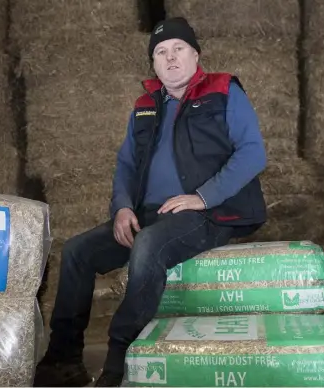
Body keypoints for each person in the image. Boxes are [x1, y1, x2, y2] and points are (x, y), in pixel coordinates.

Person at [33, 17, 268, 387]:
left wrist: (202, 197)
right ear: (154, 64)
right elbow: (126, 164)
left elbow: (253, 154)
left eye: (178, 49)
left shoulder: (224, 90)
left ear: (195, 54)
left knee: (149, 244)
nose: (170, 58)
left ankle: (119, 361)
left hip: (210, 211)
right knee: (78, 251)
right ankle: (63, 360)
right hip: (148, 213)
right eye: (160, 52)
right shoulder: (145, 105)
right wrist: (122, 207)